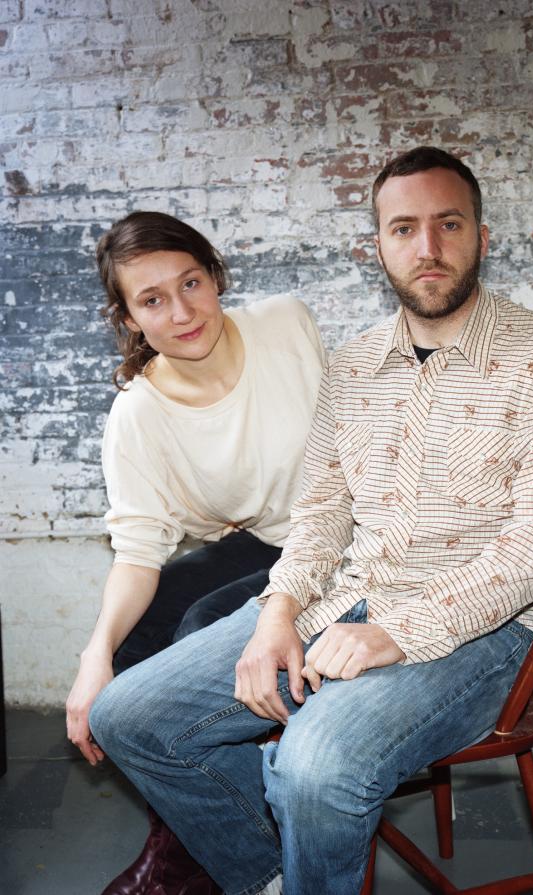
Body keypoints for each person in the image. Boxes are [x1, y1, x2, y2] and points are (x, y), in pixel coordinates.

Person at [89, 148, 533, 895]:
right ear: (379, 248)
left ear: (482, 237)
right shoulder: (354, 365)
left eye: (448, 224)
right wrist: (279, 612)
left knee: (313, 765)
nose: (427, 248)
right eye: (404, 229)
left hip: (483, 635)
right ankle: (278, 870)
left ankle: (309, 837)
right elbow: (323, 511)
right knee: (128, 715)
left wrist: (397, 632)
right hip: (345, 596)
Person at [65, 211, 325, 894]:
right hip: (266, 542)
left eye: (190, 283)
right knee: (135, 638)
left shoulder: (285, 325)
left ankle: (218, 852)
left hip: (343, 540)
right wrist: (94, 656)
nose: (181, 313)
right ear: (128, 317)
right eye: (152, 300)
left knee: (201, 626)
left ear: (214, 276)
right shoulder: (139, 413)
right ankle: (187, 841)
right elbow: (138, 551)